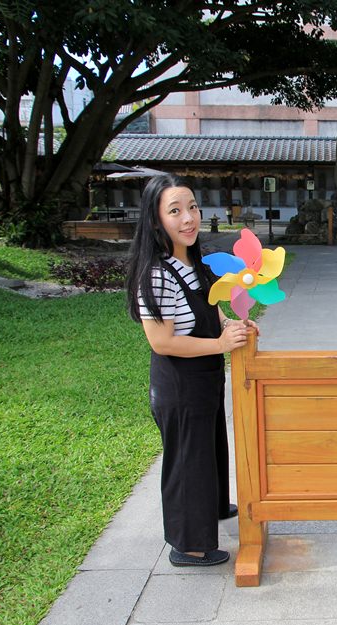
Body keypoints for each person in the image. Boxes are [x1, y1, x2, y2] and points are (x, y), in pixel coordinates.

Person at [126, 174, 257, 567]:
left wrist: (233, 326)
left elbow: (210, 308)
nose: (189, 218)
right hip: (179, 383)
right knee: (188, 461)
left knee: (210, 448)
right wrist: (219, 345)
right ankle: (189, 545)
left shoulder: (192, 263)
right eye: (175, 211)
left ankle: (214, 507)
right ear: (155, 221)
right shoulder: (155, 273)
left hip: (204, 378)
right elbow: (162, 342)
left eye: (193, 207)